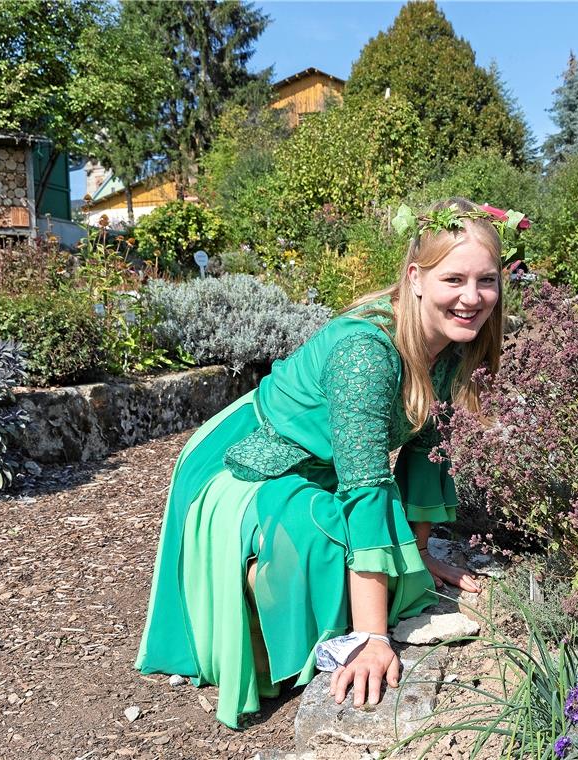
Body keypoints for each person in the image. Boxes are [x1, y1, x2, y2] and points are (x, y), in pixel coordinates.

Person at [136, 198, 503, 728]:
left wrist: (420, 552)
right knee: (330, 543)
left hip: (325, 469)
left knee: (391, 560)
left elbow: (427, 448)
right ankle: (261, 592)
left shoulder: (450, 344)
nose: (472, 298)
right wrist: (373, 638)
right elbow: (367, 486)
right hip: (252, 464)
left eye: (486, 280)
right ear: (416, 277)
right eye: (455, 280)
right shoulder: (367, 352)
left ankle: (296, 598)